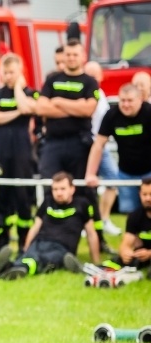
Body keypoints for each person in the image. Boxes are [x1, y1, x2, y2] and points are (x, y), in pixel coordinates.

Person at [35, 39, 108, 252]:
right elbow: (41, 108)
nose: (71, 58)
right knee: (50, 189)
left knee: (86, 192)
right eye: (68, 54)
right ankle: (48, 237)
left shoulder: (89, 82)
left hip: (80, 143)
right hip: (53, 144)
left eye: (75, 54)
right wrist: (75, 107)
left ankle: (99, 238)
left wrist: (58, 102)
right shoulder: (52, 79)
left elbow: (88, 110)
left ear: (82, 56)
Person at [0, 171, 100, 280]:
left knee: (43, 259)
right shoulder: (48, 201)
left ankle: (15, 268)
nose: (58, 193)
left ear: (72, 189)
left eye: (63, 189)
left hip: (62, 248)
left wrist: (96, 261)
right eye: (55, 189)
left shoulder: (82, 204)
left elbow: (91, 233)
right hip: (40, 241)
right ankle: (9, 267)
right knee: (29, 255)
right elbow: (35, 227)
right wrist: (26, 249)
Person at [0, 53, 38, 249]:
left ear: (20, 71)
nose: (8, 76)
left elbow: (27, 108)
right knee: (1, 193)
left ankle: (24, 241)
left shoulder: (29, 92)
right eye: (5, 73)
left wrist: (18, 88)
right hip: (0, 149)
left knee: (22, 195)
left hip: (21, 150)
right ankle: (2, 240)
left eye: (12, 72)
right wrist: (16, 113)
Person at [85, 83, 151, 218]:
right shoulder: (112, 115)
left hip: (149, 171)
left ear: (140, 99)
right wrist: (90, 174)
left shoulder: (148, 112)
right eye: (122, 100)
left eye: (130, 101)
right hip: (126, 172)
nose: (126, 105)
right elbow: (98, 145)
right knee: (131, 214)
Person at [83, 61, 122, 236]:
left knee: (113, 179)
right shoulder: (82, 94)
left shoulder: (102, 94)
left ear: (101, 76)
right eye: (88, 74)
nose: (92, 78)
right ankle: (86, 223)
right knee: (87, 185)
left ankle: (104, 218)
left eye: (94, 75)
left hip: (101, 146)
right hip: (85, 146)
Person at [108, 177, 151, 272]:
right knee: (115, 262)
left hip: (148, 253)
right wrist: (125, 252)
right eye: (144, 194)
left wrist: (149, 253)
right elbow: (126, 243)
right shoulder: (135, 216)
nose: (148, 198)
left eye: (150, 194)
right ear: (139, 194)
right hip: (141, 254)